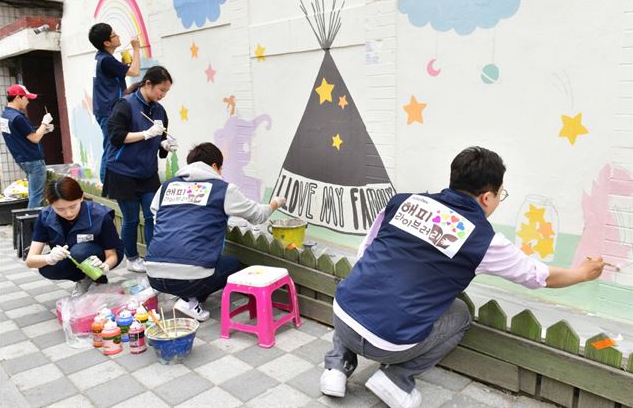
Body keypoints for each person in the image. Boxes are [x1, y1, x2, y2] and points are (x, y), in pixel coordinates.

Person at [320, 146, 607, 408]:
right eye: (500, 195)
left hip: (342, 316)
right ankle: (396, 379)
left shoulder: (403, 202)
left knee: (360, 285)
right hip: (390, 344)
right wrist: (582, 273)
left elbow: (366, 250)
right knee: (459, 313)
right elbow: (537, 276)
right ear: (487, 197)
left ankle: (336, 367)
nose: (497, 201)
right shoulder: (482, 239)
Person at [145, 142, 287, 321]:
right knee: (232, 264)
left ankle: (163, 291)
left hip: (154, 274)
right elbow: (257, 215)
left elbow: (156, 217)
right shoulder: (223, 190)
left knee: (184, 267)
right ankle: (190, 301)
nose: (221, 172)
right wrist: (275, 203)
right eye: (221, 168)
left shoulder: (167, 187)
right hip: (191, 280)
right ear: (214, 166)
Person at [103, 66, 177, 273]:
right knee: (131, 219)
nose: (162, 95)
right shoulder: (125, 105)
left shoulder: (159, 110)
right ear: (148, 84)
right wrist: (145, 134)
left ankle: (154, 256)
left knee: (153, 215)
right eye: (161, 90)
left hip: (147, 171)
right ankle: (132, 258)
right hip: (122, 171)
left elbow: (161, 137)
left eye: (166, 92)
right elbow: (116, 137)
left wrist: (165, 146)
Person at [25, 177, 123, 296]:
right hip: (71, 257)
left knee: (79, 251)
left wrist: (105, 266)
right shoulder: (45, 216)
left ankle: (99, 281)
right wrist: (49, 258)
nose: (68, 213)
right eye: (60, 209)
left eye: (72, 206)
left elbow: (112, 255)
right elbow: (30, 261)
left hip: (101, 256)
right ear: (49, 203)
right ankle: (83, 279)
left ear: (81, 197)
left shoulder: (100, 215)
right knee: (46, 267)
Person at [88, 22, 141, 182]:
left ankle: (110, 183)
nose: (118, 35)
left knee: (111, 145)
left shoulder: (102, 58)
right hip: (108, 111)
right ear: (106, 43)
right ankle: (107, 185)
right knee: (111, 146)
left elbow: (111, 83)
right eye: (114, 34)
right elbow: (135, 71)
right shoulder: (106, 60)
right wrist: (136, 49)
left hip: (105, 109)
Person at [0, 84, 54, 208]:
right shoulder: (18, 117)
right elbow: (34, 138)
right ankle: (32, 224)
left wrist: (44, 129)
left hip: (22, 160)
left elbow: (21, 135)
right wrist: (44, 123)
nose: (28, 101)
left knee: (33, 194)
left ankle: (30, 223)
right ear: (18, 98)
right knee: (37, 197)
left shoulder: (5, 115)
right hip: (33, 160)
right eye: (26, 98)